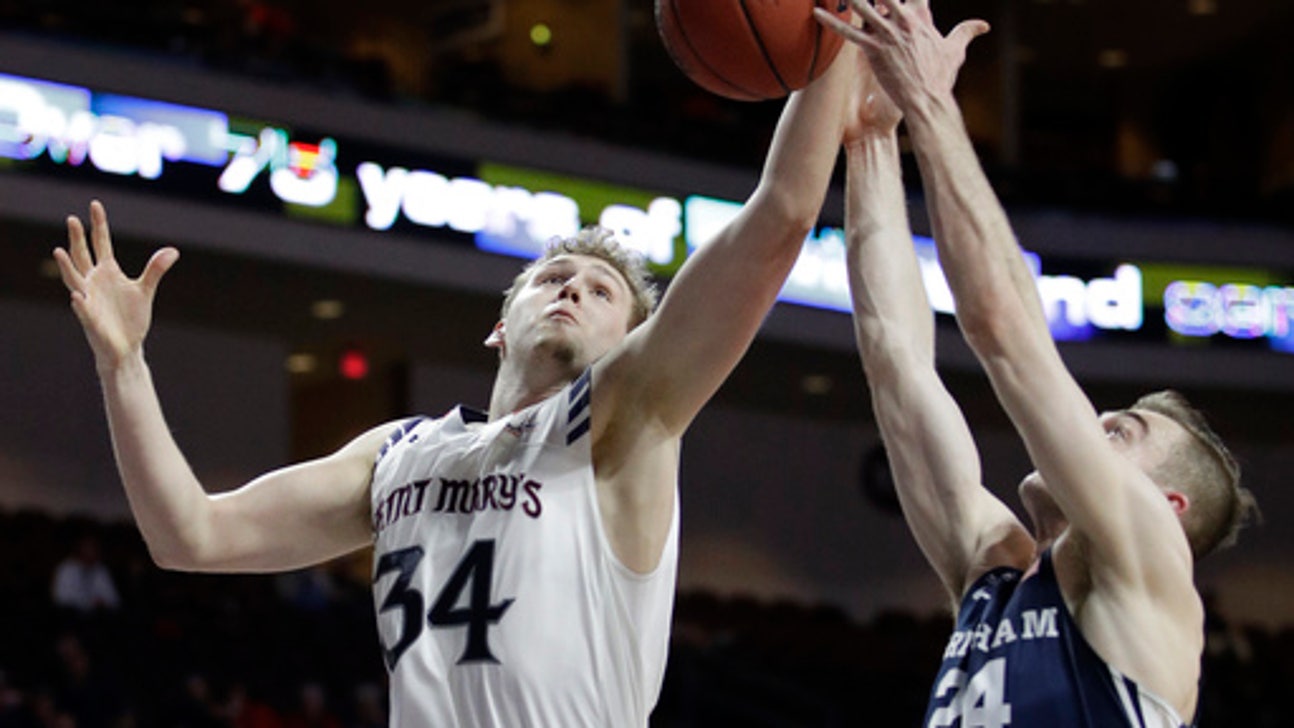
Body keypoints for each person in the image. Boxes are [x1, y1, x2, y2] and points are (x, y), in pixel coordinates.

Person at [51, 46, 858, 726]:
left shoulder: (627, 419)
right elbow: (189, 536)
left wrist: (837, 33)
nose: (574, 289)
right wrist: (124, 366)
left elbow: (783, 212)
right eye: (553, 277)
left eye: (603, 292)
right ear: (500, 328)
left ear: (633, 343)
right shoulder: (400, 451)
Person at [816, 1, 1259, 725]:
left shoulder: (1145, 563)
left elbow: (1003, 328)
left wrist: (931, 101)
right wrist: (872, 139)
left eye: (1121, 433)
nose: (1096, 420)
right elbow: (897, 364)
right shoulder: (991, 567)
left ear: (1166, 507)